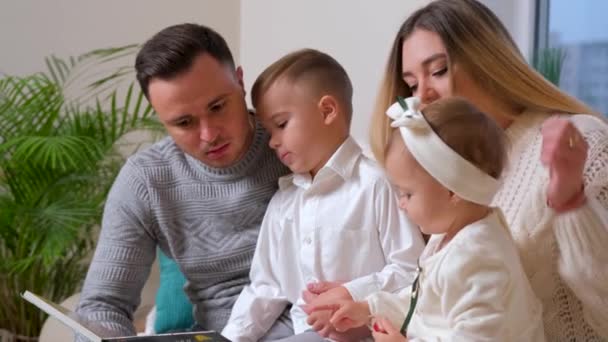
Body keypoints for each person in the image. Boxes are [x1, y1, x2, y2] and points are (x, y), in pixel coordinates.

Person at [362, 0, 607, 340]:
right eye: (412, 85)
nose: (423, 96)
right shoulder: (440, 168)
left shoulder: (578, 141)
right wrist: (363, 305)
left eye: (438, 71)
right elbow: (435, 300)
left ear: (487, 61)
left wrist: (571, 203)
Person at [75, 23, 293, 340]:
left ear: (241, 82)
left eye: (218, 107)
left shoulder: (295, 144)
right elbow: (102, 305)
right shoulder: (146, 180)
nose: (209, 134)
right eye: (184, 122)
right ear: (159, 116)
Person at [221, 49, 425, 342]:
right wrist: (230, 339)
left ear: (327, 110)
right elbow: (265, 288)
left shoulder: (377, 183)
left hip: (370, 333)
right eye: (268, 131)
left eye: (281, 125)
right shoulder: (284, 202)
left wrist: (352, 291)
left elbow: (411, 271)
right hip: (306, 334)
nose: (273, 142)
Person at [312, 96, 546, 341]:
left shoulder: (477, 257)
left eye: (408, 193)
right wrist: (369, 309)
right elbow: (420, 305)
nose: (400, 203)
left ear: (452, 190)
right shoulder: (447, 236)